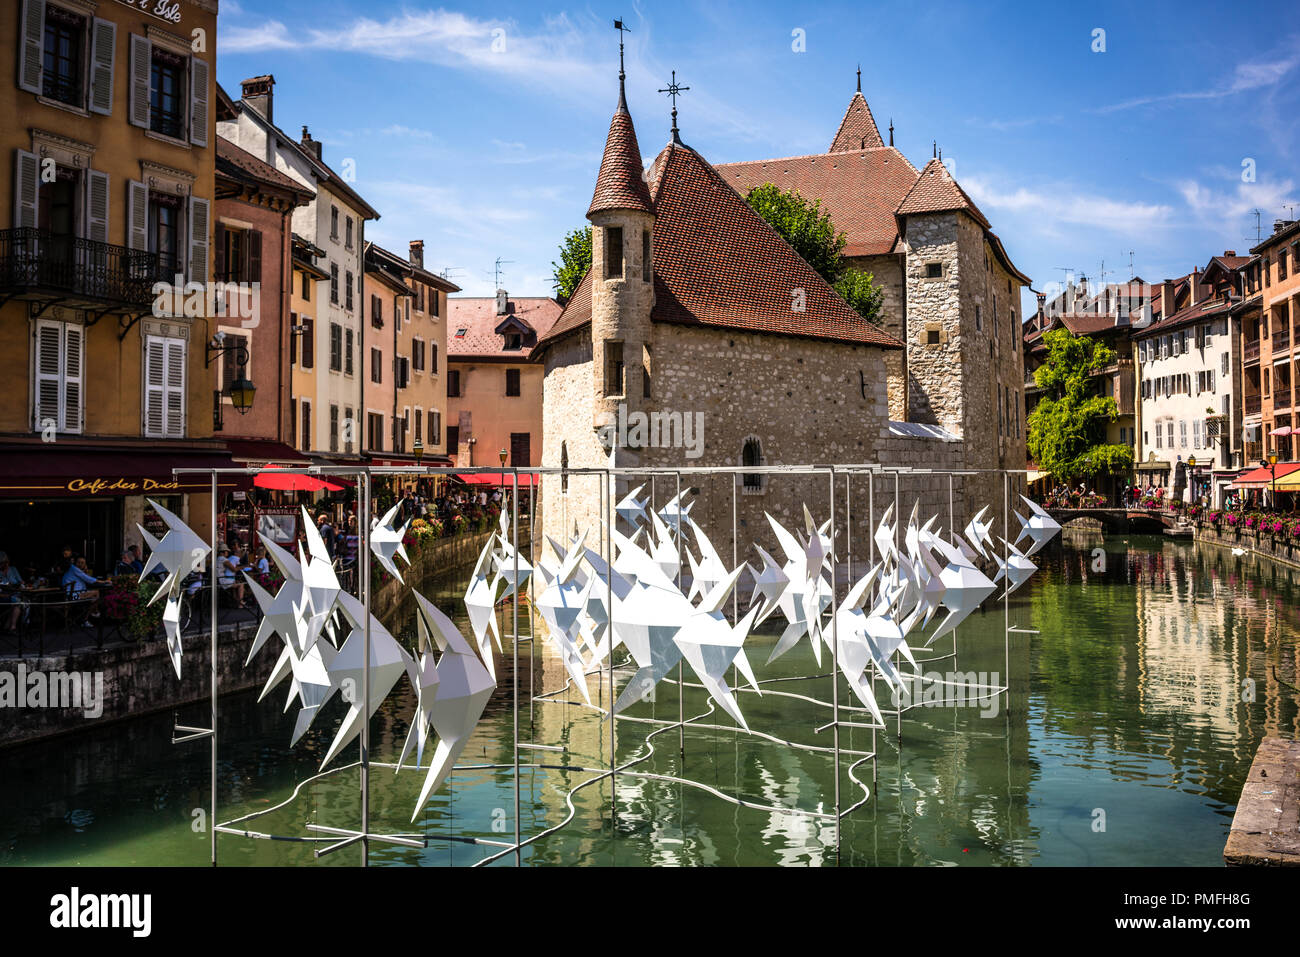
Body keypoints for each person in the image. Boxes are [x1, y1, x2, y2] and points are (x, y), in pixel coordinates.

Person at [0, 551, 24, 634]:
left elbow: (21, 582)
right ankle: (12, 627)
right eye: (2, 563)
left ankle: (8, 626)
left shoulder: (13, 569)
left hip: (14, 593)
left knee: (19, 600)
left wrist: (18, 585)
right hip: (2, 596)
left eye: (6, 563)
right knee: (17, 601)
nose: (5, 565)